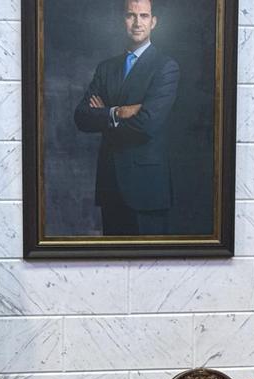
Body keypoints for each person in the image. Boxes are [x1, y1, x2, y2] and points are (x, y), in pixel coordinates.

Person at [73, 0, 180, 236]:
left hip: (147, 190)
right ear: (123, 20)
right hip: (110, 185)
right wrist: (117, 112)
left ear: (153, 22)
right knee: (112, 268)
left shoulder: (165, 68)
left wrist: (103, 115)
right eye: (131, 15)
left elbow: (147, 124)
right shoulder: (106, 68)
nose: (137, 22)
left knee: (150, 270)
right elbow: (81, 117)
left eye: (143, 16)